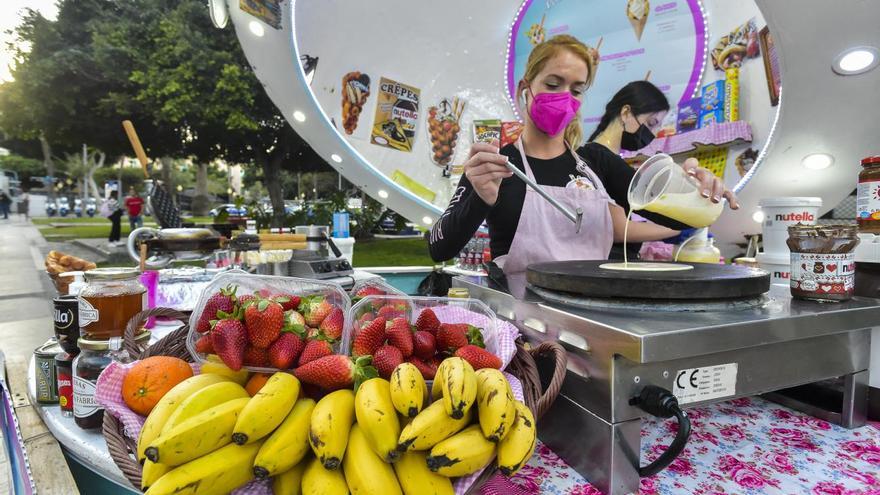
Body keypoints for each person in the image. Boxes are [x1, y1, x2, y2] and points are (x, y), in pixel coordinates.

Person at [428, 35, 737, 272]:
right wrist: (479, 200)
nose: (564, 97)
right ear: (527, 87)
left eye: (576, 90)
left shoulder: (596, 163)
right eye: (552, 83)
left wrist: (698, 193)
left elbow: (671, 218)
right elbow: (438, 247)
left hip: (592, 324)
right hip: (523, 327)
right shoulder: (497, 166)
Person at [579, 80, 738, 260]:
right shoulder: (599, 158)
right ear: (625, 113)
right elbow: (618, 229)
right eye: (651, 123)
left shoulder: (601, 157)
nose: (653, 134)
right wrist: (682, 228)